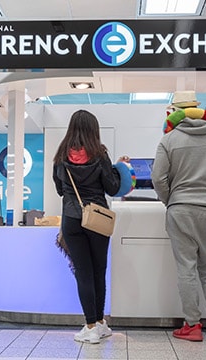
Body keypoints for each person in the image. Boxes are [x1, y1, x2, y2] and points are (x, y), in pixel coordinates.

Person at [151, 90, 206, 342]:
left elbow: (158, 178)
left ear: (174, 112)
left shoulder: (169, 140)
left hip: (180, 210)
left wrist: (171, 200)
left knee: (186, 268)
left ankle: (192, 325)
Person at [52, 109, 127, 344]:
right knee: (98, 271)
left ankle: (92, 325)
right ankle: (100, 324)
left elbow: (58, 189)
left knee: (83, 272)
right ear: (94, 130)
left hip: (72, 218)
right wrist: (119, 167)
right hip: (96, 219)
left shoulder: (61, 156)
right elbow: (113, 188)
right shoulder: (99, 155)